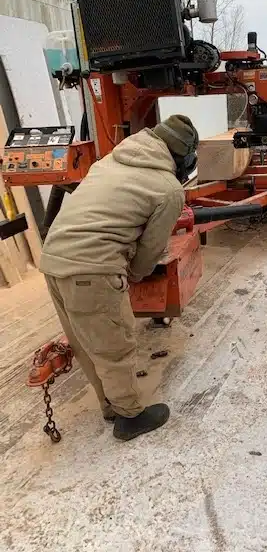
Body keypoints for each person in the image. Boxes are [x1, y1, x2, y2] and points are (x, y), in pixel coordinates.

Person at [40, 115, 199, 441]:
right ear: (181, 157)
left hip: (53, 259)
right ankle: (129, 417)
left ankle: (110, 405)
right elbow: (149, 251)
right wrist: (135, 276)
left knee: (87, 343)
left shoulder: (110, 161)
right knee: (114, 345)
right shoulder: (168, 189)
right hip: (91, 268)